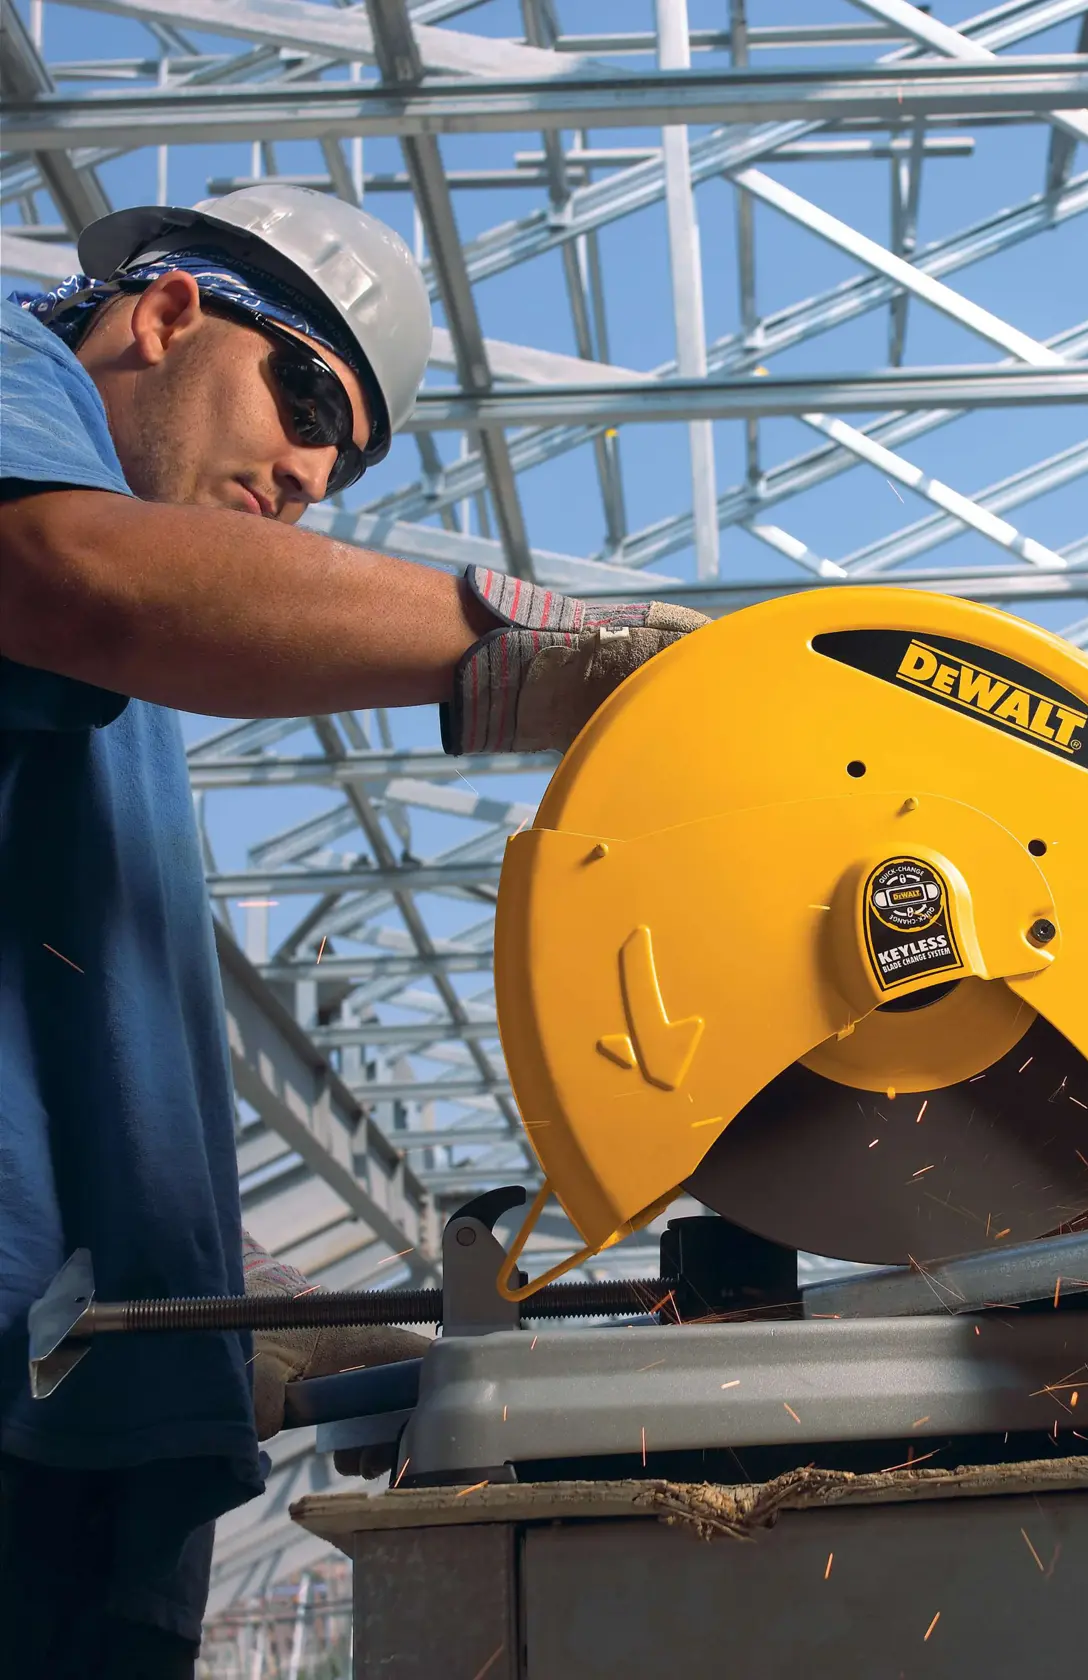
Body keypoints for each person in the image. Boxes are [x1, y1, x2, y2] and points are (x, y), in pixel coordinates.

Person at [0, 184, 706, 1677]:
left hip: (91, 1441)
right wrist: (578, 660)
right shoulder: (24, 401)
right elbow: (78, 582)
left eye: (349, 460)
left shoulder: (128, 687)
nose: (313, 472)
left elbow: (70, 1046)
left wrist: (227, 1293)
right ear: (168, 312)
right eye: (308, 399)